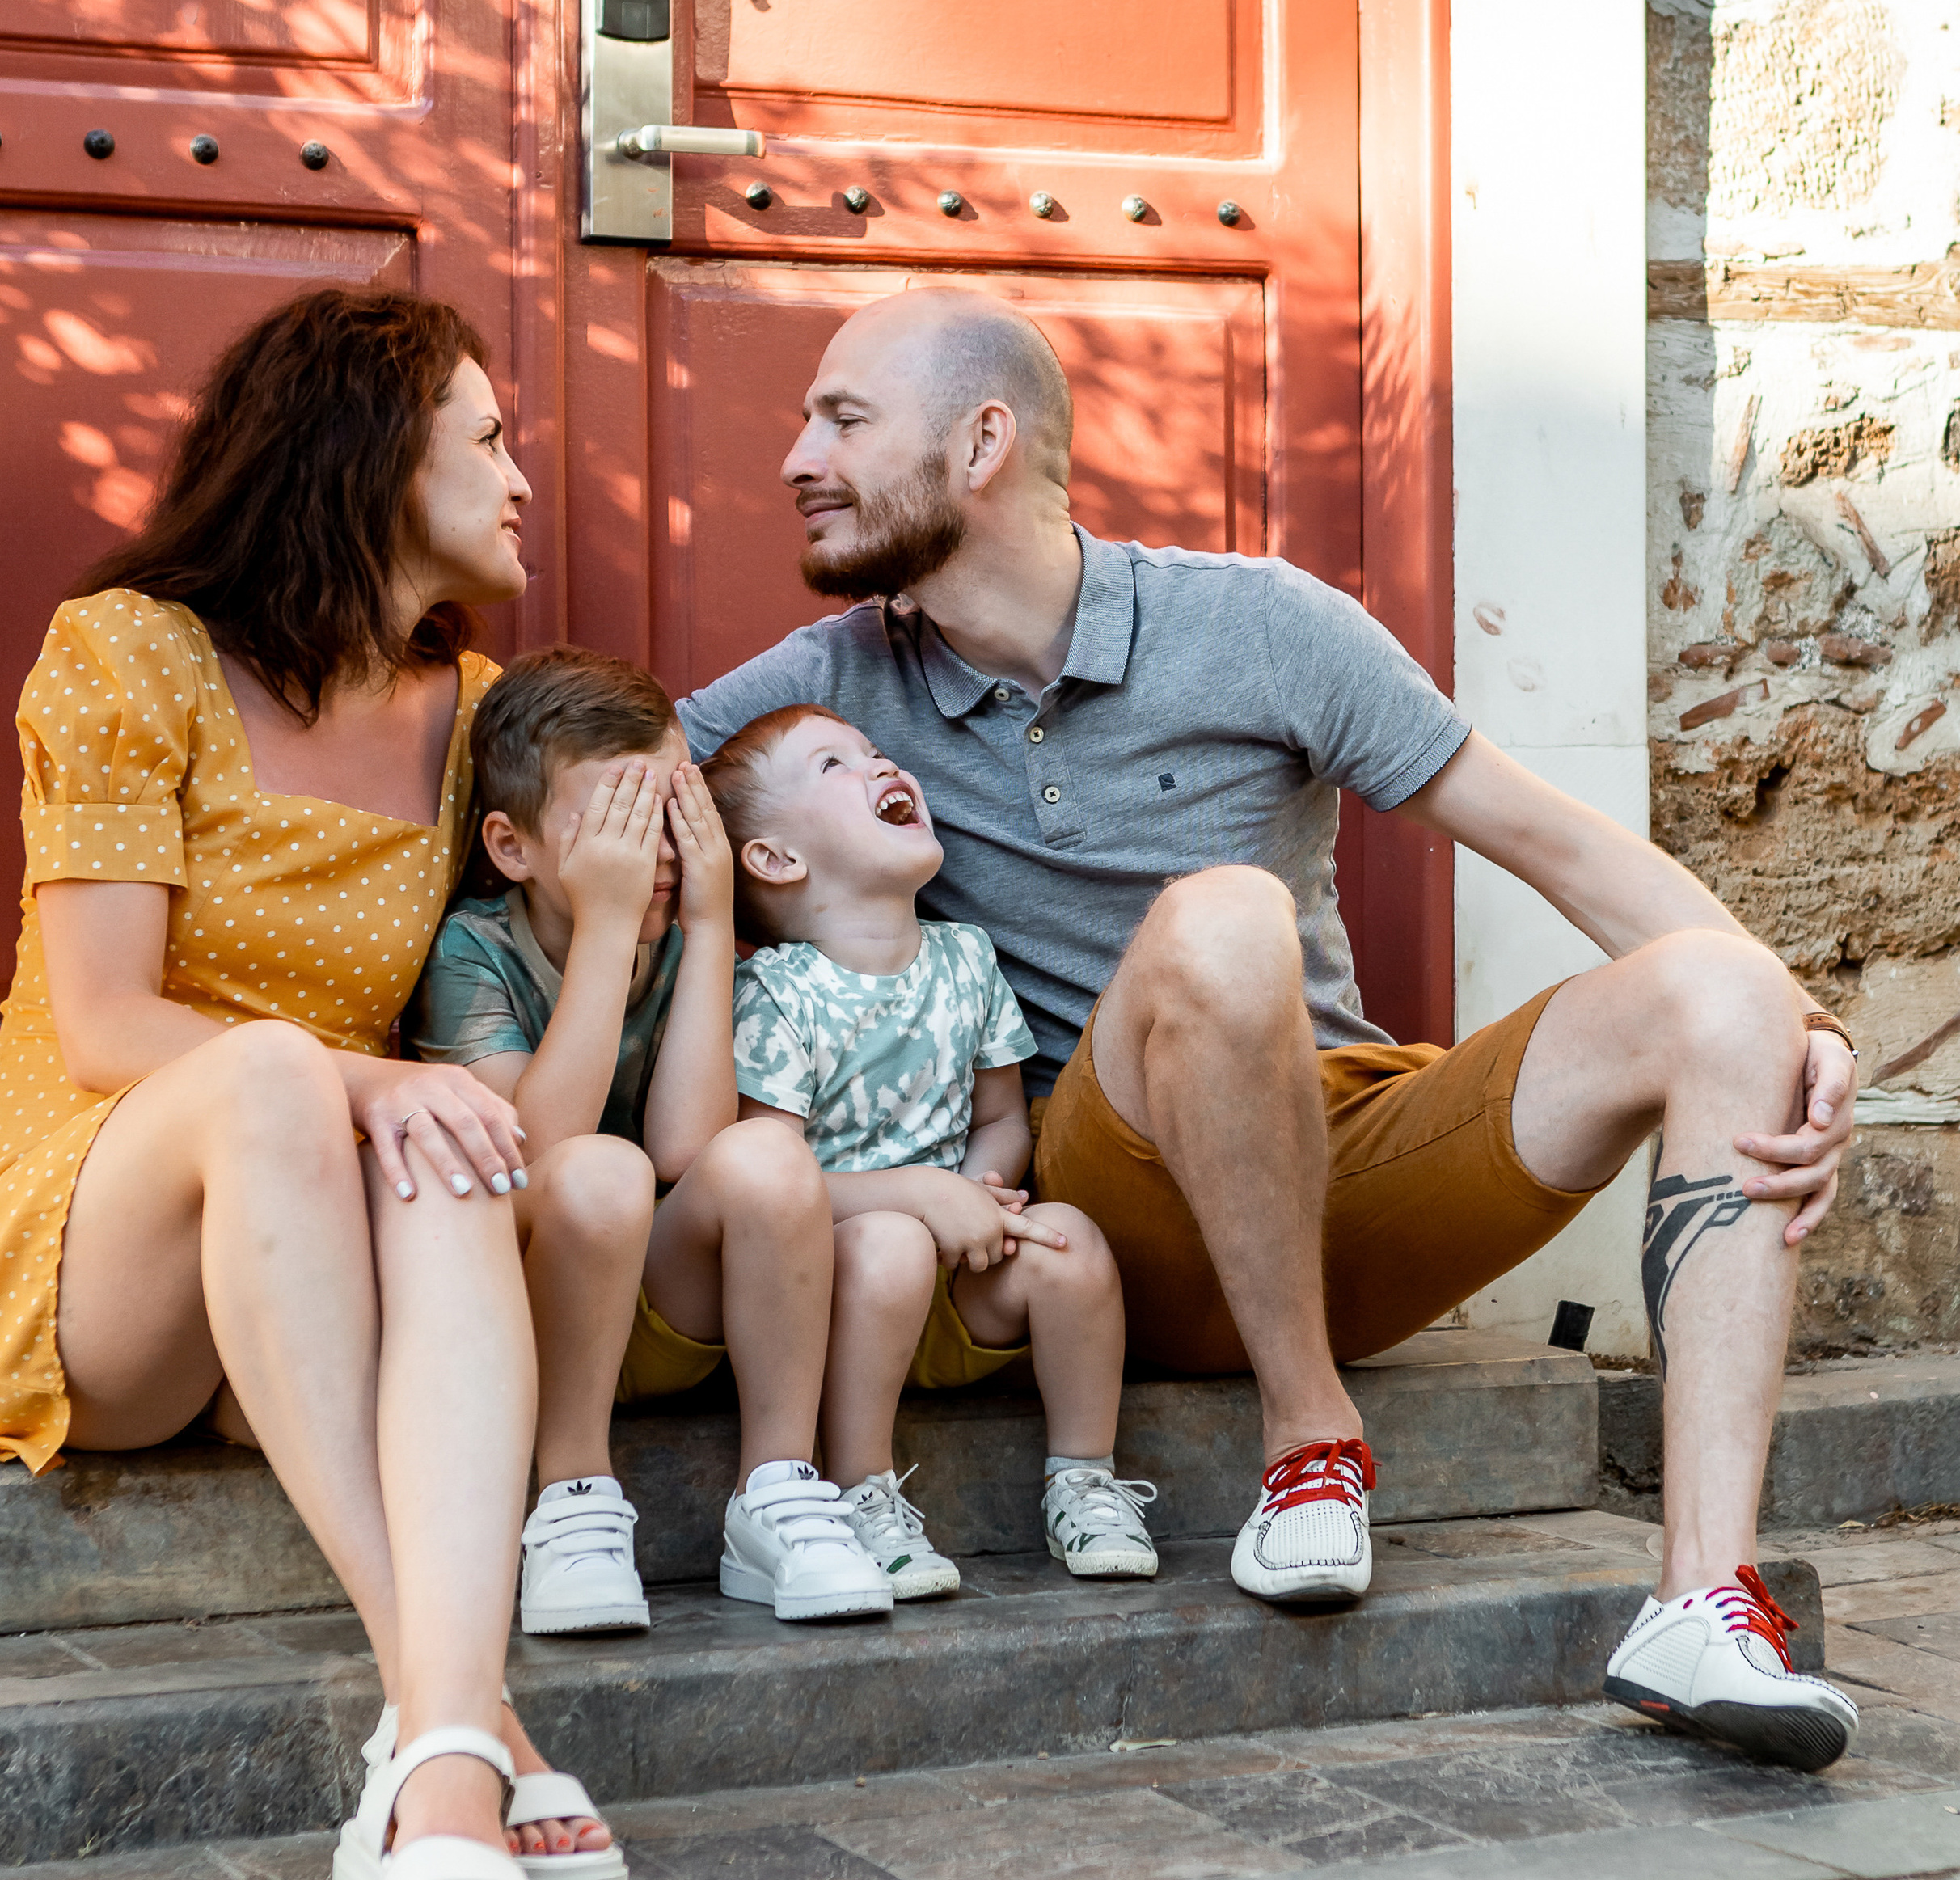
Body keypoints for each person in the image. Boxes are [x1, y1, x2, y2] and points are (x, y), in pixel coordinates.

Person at [676, 286, 1865, 1771]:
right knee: (1227, 916)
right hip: (1118, 1212)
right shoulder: (832, 693)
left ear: (984, 441)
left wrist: (1799, 1018)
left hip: (1345, 1154)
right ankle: (1313, 1443)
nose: (797, 453)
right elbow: (593, 787)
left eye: (842, 418)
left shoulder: (1258, 625)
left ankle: (1703, 1601)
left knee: (1725, 983)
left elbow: (1556, 844)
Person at [0, 289, 615, 1880]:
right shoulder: (128, 654)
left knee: (444, 1142)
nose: (526, 481)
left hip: (306, 1260)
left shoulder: (476, 726)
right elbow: (108, 1024)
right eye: (489, 440)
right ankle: (466, 1712)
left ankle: (431, 1783)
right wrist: (362, 1082)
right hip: (84, 1234)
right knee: (311, 1076)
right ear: (369, 463)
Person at [409, 649, 894, 1629]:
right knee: (595, 1170)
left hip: (668, 1308)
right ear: (514, 847)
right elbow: (534, 1149)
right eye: (618, 824)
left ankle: (779, 1490)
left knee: (764, 1155)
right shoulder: (473, 951)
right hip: (534, 1316)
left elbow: (688, 1147)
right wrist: (604, 927)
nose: (655, 851)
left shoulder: (691, 942)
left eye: (672, 813)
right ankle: (571, 1497)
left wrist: (711, 926)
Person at [702, 703, 1159, 1595]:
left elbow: (1000, 1117)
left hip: (959, 1270)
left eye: (876, 751)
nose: (879, 767)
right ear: (776, 858)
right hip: (829, 1297)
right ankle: (859, 1492)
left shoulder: (965, 959)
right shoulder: (776, 994)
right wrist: (919, 1198)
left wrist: (979, 1196)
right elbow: (773, 1179)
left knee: (1072, 1244)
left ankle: (1084, 1480)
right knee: (891, 1239)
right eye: (835, 764)